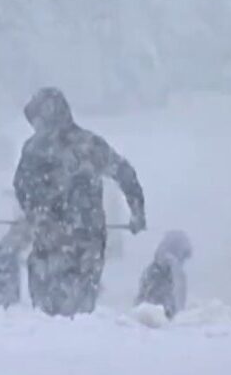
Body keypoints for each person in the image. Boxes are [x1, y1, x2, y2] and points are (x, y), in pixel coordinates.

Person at [13, 87, 146, 317]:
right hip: (85, 244)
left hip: (52, 244)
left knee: (47, 313)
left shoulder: (34, 149)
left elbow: (21, 188)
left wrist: (36, 213)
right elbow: (125, 174)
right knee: (79, 312)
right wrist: (137, 212)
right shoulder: (89, 145)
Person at [135, 230, 192, 319]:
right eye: (183, 256)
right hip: (157, 320)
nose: (183, 261)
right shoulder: (169, 271)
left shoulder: (155, 270)